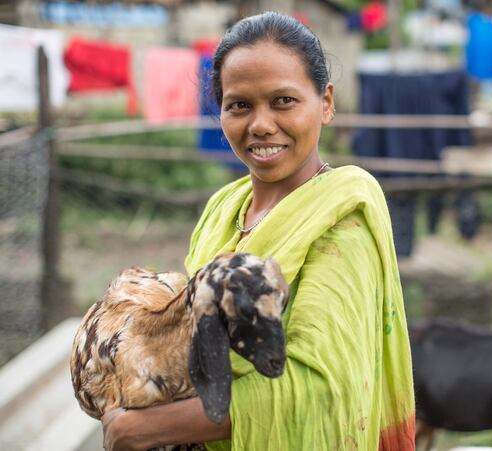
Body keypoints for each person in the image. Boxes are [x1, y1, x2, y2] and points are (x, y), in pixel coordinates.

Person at [101, 12, 415, 451]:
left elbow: (324, 390)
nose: (261, 124)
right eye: (240, 105)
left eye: (283, 100)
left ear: (325, 102)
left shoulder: (342, 219)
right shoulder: (223, 208)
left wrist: (150, 428)